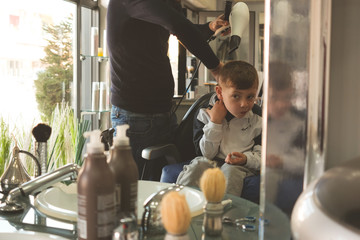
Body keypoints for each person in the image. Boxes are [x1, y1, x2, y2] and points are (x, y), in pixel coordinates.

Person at [106, 0, 229, 180]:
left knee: (164, 183)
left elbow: (180, 28)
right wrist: (216, 67)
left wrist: (210, 27)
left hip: (163, 111)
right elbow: (178, 25)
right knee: (134, 190)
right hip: (134, 115)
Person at [176, 60, 262, 196]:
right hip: (210, 159)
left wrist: (245, 159)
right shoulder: (204, 113)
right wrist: (215, 122)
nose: (244, 104)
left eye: (250, 97)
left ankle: (223, 214)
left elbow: (263, 158)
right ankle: (182, 206)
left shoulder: (258, 119)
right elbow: (206, 154)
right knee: (198, 165)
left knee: (231, 171)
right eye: (236, 96)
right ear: (220, 92)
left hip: (239, 165)